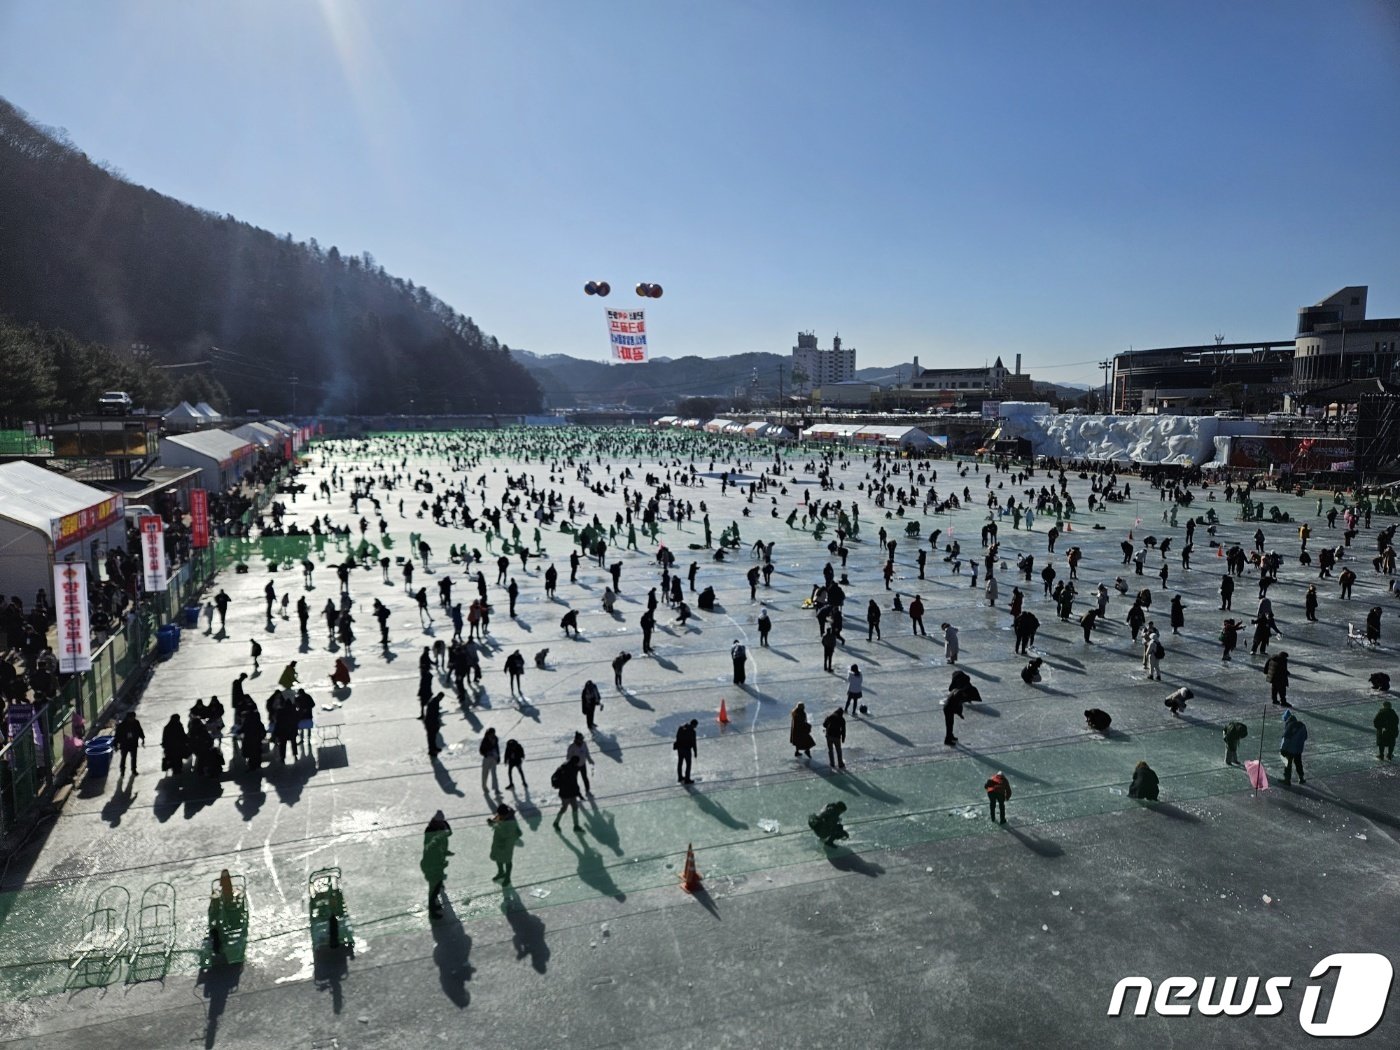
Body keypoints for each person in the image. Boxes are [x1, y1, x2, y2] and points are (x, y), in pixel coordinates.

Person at [421, 810, 453, 919]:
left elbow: (449, 832)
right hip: (432, 863)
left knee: (436, 885)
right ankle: (432, 911)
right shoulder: (430, 830)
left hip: (438, 860)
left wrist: (445, 823)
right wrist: (437, 840)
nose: (441, 824)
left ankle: (435, 904)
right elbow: (429, 846)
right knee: (433, 888)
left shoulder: (441, 827)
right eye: (440, 822)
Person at [488, 804, 523, 883]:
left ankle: (507, 877)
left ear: (506, 814)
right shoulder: (501, 815)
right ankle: (501, 872)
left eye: (501, 815)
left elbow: (507, 834)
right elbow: (496, 821)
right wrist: (491, 822)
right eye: (499, 815)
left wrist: (496, 826)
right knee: (498, 857)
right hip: (498, 841)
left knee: (507, 860)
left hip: (507, 843)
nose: (500, 816)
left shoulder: (511, 821)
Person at [552, 754, 585, 830]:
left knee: (572, 808)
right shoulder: (571, 769)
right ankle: (556, 823)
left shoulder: (565, 766)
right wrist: (578, 793)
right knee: (566, 808)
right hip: (567, 793)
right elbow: (573, 782)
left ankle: (575, 825)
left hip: (566, 792)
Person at [1280, 709, 1308, 785]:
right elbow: (1305, 737)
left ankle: (1287, 780)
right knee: (1298, 763)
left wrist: (1282, 750)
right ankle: (1301, 778)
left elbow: (1286, 739)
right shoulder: (1302, 725)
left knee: (1288, 764)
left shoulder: (1289, 726)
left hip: (1290, 750)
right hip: (1299, 749)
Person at [115, 711, 144, 776]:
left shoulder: (136, 723)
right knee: (123, 758)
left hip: (133, 743)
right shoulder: (122, 725)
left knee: (134, 758)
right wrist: (116, 744)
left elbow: (140, 730)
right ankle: (122, 770)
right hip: (125, 744)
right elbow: (117, 735)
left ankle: (134, 770)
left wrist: (143, 738)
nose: (133, 719)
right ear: (128, 718)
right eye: (132, 718)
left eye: (134, 718)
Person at [674, 718, 698, 784]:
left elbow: (677, 736)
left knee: (680, 763)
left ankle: (680, 777)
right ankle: (687, 779)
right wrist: (695, 752)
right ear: (694, 725)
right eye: (696, 726)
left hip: (680, 748)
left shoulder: (681, 727)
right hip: (687, 750)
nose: (696, 727)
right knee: (688, 764)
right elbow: (694, 743)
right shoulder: (693, 732)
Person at [480, 727, 501, 796]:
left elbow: (497, 748)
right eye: (491, 734)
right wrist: (486, 753)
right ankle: (484, 786)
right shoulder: (485, 740)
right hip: (487, 758)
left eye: (493, 734)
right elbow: (481, 750)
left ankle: (496, 789)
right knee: (485, 774)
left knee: (494, 773)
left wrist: (498, 757)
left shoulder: (495, 739)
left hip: (494, 758)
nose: (492, 735)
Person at [424, 692, 444, 757]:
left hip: (430, 721)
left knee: (433, 736)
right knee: (431, 737)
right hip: (431, 722)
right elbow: (433, 713)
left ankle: (434, 748)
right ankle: (431, 750)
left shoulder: (435, 701)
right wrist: (438, 715)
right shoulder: (434, 702)